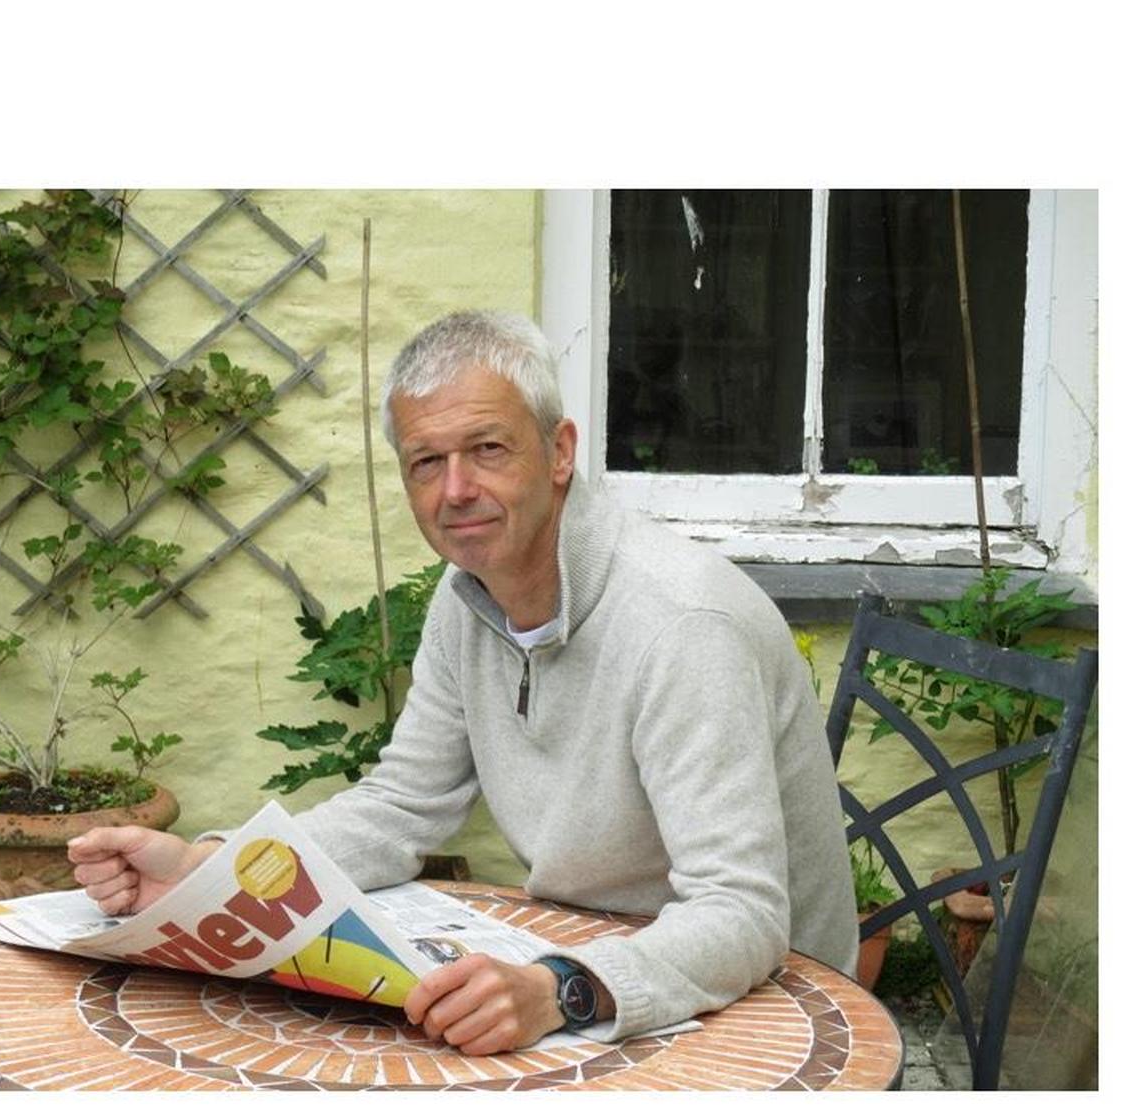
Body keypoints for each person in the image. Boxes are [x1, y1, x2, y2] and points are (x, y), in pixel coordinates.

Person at [67, 310, 858, 1056]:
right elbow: (402, 805)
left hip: (765, 1009)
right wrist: (213, 869)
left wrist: (559, 988)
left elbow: (743, 912)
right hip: (598, 968)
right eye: (427, 462)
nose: (455, 490)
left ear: (559, 452)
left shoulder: (681, 624)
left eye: (487, 449)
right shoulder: (468, 598)